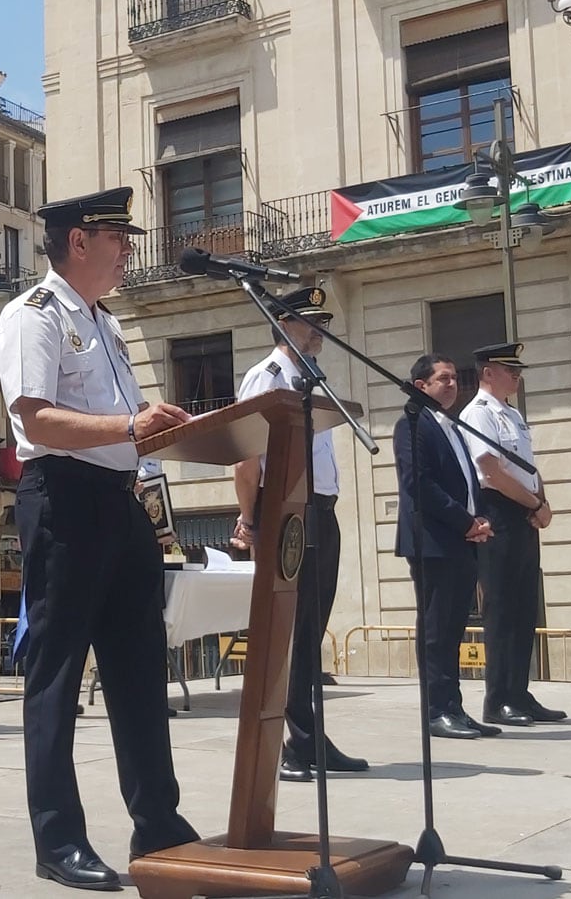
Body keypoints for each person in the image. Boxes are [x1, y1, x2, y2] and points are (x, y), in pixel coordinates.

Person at [0, 186, 199, 891]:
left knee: (139, 670)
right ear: (78, 241)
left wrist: (156, 427)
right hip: (64, 501)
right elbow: (37, 422)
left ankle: (159, 821)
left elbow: (122, 423)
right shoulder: (35, 316)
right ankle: (58, 838)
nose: (128, 251)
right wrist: (128, 427)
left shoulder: (105, 323)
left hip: (119, 502)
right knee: (55, 676)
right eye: (118, 238)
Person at [226, 286, 366, 783]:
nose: (319, 331)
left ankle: (309, 738)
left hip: (319, 511)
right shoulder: (265, 379)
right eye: (311, 322)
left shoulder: (313, 381)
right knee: (289, 630)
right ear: (284, 325)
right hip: (285, 513)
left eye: (322, 322)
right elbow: (247, 459)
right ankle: (295, 744)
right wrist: (251, 520)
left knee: (310, 630)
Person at [460, 342, 567, 727]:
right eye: (510, 370)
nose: (517, 376)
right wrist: (532, 504)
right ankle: (498, 697)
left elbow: (528, 467)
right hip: (499, 512)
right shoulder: (479, 413)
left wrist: (543, 501)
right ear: (488, 373)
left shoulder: (514, 415)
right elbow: (490, 471)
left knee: (524, 607)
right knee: (501, 608)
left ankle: (519, 693)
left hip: (524, 509)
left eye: (518, 370)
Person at [393, 355, 494, 740]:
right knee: (436, 629)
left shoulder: (451, 426)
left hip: (462, 540)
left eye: (454, 378)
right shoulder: (413, 425)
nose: (452, 384)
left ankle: (455, 707)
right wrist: (465, 521)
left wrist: (481, 519)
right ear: (422, 386)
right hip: (434, 542)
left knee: (454, 629)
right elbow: (419, 485)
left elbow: (469, 481)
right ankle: (437, 710)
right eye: (443, 378)